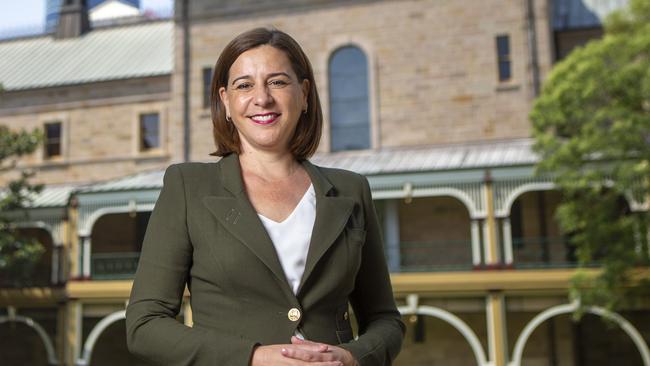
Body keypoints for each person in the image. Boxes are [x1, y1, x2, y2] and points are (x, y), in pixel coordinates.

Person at [126, 27, 405, 366]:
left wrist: (351, 357)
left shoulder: (352, 190)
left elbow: (386, 320)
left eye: (277, 82)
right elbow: (145, 326)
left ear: (303, 95)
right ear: (226, 101)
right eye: (244, 85)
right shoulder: (188, 187)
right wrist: (253, 357)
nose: (262, 98)